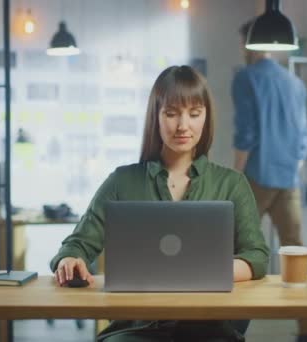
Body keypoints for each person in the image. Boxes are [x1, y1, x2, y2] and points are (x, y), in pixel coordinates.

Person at [51, 65, 269, 342]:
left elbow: (257, 256)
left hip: (209, 328)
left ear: (206, 117)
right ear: (156, 117)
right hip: (136, 329)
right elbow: (77, 244)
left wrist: (206, 272)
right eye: (171, 113)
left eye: (194, 113)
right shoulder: (122, 181)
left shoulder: (232, 184)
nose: (183, 126)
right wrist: (70, 260)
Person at [231, 21, 307, 342]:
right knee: (296, 259)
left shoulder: (245, 78)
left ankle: (230, 327)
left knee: (240, 252)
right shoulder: (295, 83)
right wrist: (292, 167)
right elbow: (305, 139)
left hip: (256, 176)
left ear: (247, 42)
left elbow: (246, 134)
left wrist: (234, 177)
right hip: (289, 177)